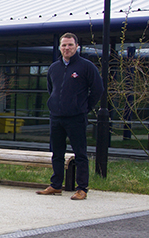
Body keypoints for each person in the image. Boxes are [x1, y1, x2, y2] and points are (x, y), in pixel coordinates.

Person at [37, 32, 103, 200]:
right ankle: (56, 185)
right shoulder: (53, 68)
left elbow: (97, 90)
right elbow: (51, 90)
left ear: (77, 47)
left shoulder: (86, 67)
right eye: (64, 45)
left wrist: (84, 107)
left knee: (80, 154)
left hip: (76, 118)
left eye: (70, 45)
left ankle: (82, 189)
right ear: (60, 47)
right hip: (57, 117)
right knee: (57, 153)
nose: (67, 48)